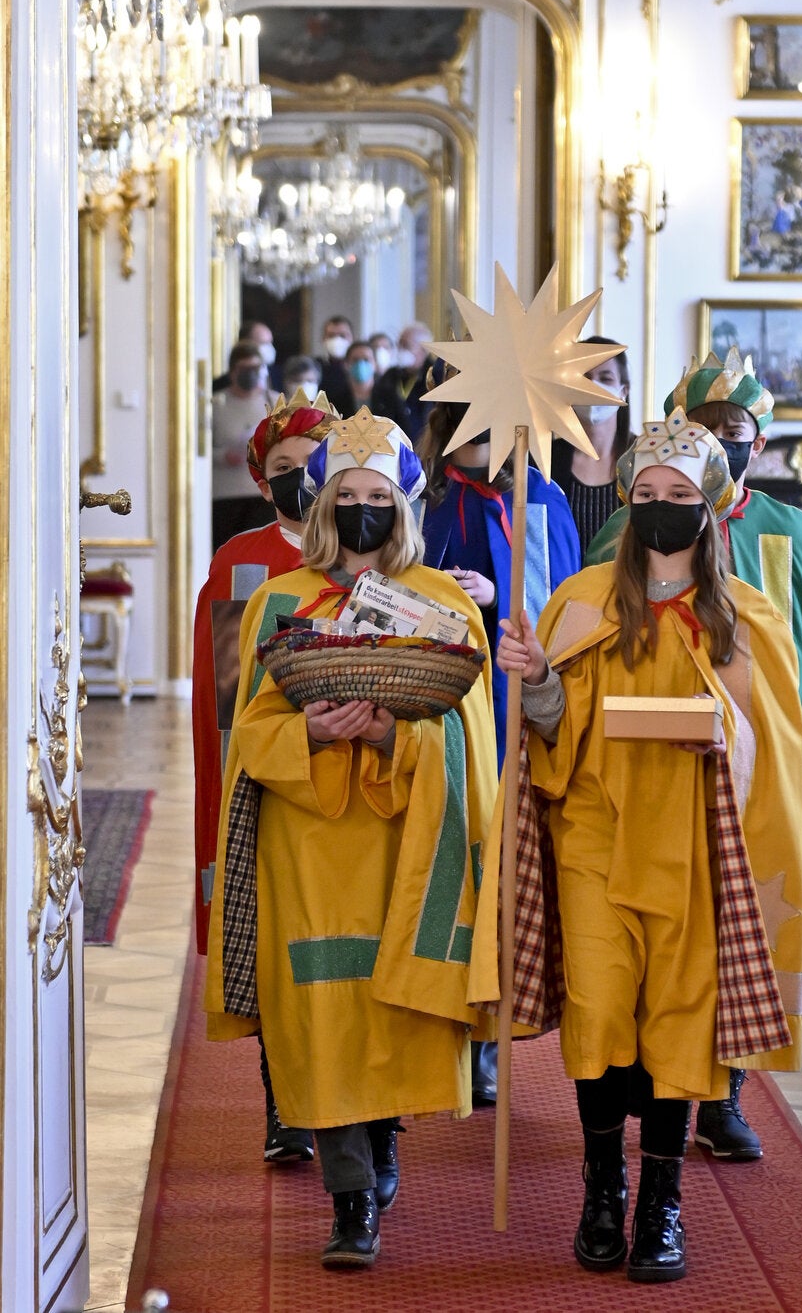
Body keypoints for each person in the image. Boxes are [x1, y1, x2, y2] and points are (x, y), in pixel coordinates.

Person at [496, 409, 802, 1282]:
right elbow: (546, 737)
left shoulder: (744, 617)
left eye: (678, 495)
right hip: (594, 837)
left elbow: (774, 746)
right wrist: (541, 681)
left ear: (710, 507)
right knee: (599, 1012)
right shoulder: (578, 602)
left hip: (696, 852)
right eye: (644, 494)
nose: (660, 507)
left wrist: (726, 736)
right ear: (626, 503)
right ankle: (602, 1185)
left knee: (678, 1025)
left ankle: (661, 1201)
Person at [204, 407, 498, 1271]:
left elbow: (471, 744)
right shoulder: (278, 600)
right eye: (346, 493)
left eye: (378, 495)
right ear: (323, 502)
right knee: (321, 1016)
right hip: (310, 844)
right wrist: (315, 733)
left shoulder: (444, 603)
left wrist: (388, 738)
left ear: (403, 505)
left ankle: (383, 1143)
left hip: (406, 840)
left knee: (387, 1008)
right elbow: (249, 734)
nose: (361, 508)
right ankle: (349, 1197)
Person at [587, 348, 802, 1161]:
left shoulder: (790, 534)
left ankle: (724, 1094)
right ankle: (633, 1097)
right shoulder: (624, 529)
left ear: (755, 445)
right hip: (625, 786)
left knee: (736, 928)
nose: (723, 440)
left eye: (738, 432)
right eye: (705, 427)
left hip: (743, 763)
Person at [418, 372, 581, 1107]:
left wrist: (497, 593)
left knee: (503, 867)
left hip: (513, 706)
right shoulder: (426, 498)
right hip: (444, 707)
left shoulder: (537, 500)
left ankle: (490, 1032)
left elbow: (562, 606)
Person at [192, 389, 339, 1164]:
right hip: (270, 769)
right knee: (275, 929)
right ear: (262, 479)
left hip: (355, 772)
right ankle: (282, 1099)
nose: (302, 478)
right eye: (285, 468)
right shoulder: (241, 561)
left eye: (314, 464)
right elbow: (224, 700)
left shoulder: (361, 549)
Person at [550, 335, 635, 560]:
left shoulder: (646, 456)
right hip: (561, 591)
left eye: (605, 378)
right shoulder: (544, 460)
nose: (592, 386)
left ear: (623, 391)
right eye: (585, 377)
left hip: (628, 589)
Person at [211, 341, 274, 548]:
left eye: (255, 368)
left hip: (262, 494)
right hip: (225, 495)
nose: (250, 374)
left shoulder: (274, 401)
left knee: (260, 553)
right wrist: (222, 456)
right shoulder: (215, 404)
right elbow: (197, 451)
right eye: (244, 369)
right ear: (232, 372)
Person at [372, 320, 434, 443]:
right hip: (391, 444)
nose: (400, 350)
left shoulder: (435, 378)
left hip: (424, 446)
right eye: (399, 344)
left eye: (406, 346)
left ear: (424, 350)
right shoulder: (390, 376)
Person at [212, 319, 281, 393]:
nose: (269, 348)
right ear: (246, 343)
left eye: (270, 342)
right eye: (264, 343)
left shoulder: (278, 377)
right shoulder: (220, 386)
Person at [317, 314, 356, 415]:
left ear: (352, 338)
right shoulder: (315, 368)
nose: (337, 340)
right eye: (331, 335)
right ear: (323, 339)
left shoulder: (358, 368)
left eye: (343, 335)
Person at [345, 339, 378, 408]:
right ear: (346, 364)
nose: (360, 364)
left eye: (366, 359)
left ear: (375, 364)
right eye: (355, 360)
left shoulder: (391, 397)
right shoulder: (334, 399)